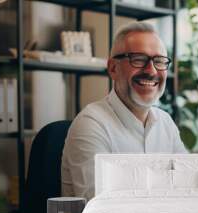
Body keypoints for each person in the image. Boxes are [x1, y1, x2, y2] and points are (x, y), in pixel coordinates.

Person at [61, 21, 187, 200]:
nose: (151, 70)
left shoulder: (165, 123)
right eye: (139, 59)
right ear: (113, 68)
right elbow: (102, 207)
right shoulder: (90, 124)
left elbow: (189, 187)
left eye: (159, 61)